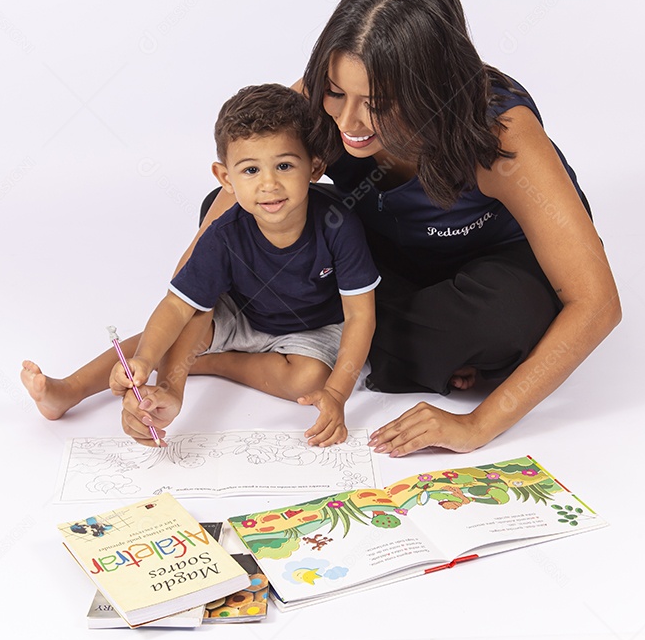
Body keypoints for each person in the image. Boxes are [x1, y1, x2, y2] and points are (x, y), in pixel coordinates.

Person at [195, 0, 621, 457]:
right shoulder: (322, 101)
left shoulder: (502, 133)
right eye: (336, 92)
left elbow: (597, 303)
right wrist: (172, 326)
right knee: (246, 216)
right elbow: (226, 208)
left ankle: (318, 333)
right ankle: (405, 348)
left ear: (431, 93)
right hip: (385, 257)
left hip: (490, 268)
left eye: (375, 103)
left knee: (507, 320)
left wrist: (477, 425)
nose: (348, 121)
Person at [21, 83, 379, 447]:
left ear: (314, 167)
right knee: (187, 319)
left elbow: (360, 317)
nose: (269, 184)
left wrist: (336, 394)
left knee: (311, 380)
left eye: (284, 165)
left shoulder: (339, 226)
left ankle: (207, 362)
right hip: (244, 314)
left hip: (314, 326)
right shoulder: (225, 234)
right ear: (226, 178)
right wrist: (146, 358)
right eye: (251, 170)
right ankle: (70, 389)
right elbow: (178, 304)